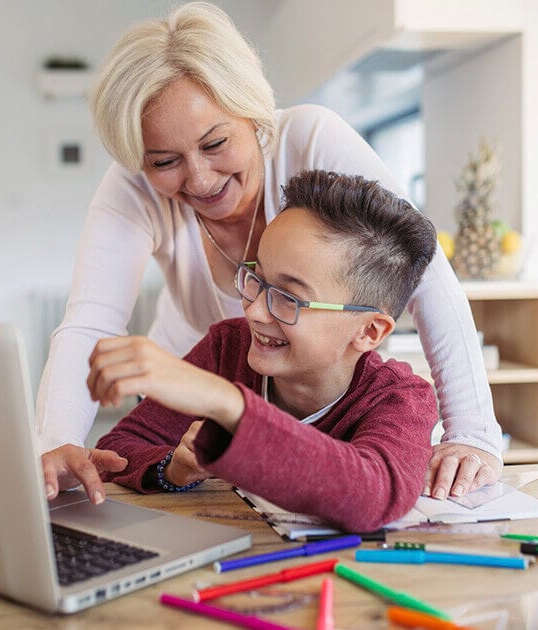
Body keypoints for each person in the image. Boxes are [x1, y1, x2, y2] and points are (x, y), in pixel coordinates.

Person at [36, 1, 502, 502]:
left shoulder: (309, 137)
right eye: (165, 161)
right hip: (201, 369)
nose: (199, 178)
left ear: (253, 113)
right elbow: (91, 322)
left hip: (306, 381)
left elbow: (423, 272)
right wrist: (55, 444)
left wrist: (472, 431)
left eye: (215, 143)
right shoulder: (139, 200)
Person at [44, 170, 439, 532]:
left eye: (288, 298)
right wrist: (173, 470)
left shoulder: (401, 398)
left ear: (370, 330)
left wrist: (226, 403)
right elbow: (119, 449)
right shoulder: (228, 348)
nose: (252, 310)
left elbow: (373, 495)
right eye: (257, 279)